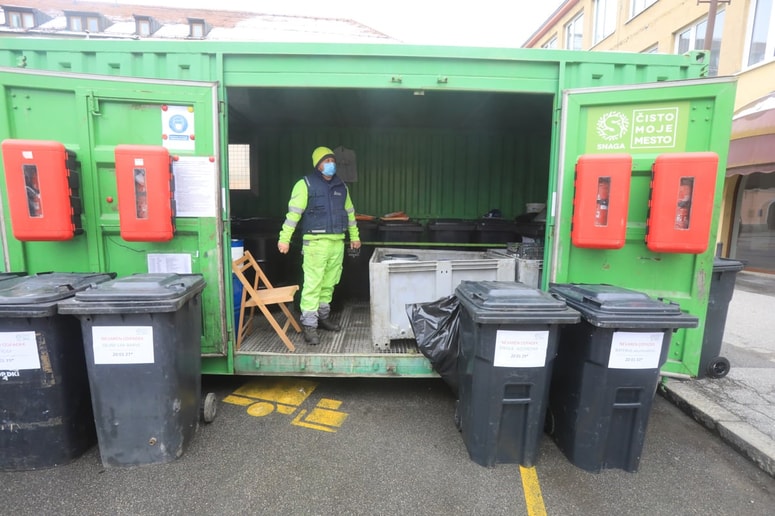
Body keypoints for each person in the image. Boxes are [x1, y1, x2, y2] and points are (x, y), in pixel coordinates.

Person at [278, 146, 361, 345]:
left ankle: (323, 318)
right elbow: (293, 215)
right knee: (313, 285)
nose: (331, 164)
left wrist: (355, 236)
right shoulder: (304, 184)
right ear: (318, 164)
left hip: (337, 243)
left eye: (332, 160)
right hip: (315, 244)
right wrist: (284, 238)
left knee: (329, 283)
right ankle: (309, 326)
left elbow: (350, 214)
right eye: (326, 161)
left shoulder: (342, 186)